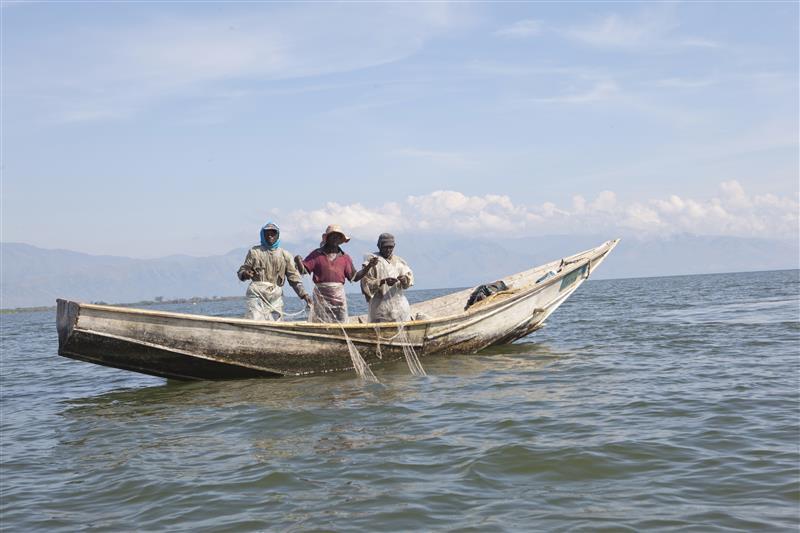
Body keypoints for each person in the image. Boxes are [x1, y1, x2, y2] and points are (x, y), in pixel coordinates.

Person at [295, 224, 372, 323]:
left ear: (341, 240)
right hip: (321, 297)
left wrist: (369, 266)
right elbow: (303, 271)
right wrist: (298, 261)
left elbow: (355, 277)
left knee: (341, 322)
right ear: (327, 238)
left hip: (338, 297)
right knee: (320, 322)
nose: (335, 239)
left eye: (338, 237)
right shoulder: (316, 254)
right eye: (333, 236)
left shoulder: (345, 257)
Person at [237, 222, 312, 321]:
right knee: (255, 320)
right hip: (257, 294)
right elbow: (242, 270)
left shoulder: (285, 255)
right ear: (262, 235)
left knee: (276, 322)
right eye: (267, 233)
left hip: (275, 296)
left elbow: (294, 279)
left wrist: (304, 295)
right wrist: (245, 274)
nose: (270, 236)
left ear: (278, 235)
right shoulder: (254, 252)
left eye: (273, 233)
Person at [359, 233, 414, 323]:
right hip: (379, 307)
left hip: (399, 306)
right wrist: (382, 282)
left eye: (391, 247)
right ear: (379, 246)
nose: (388, 250)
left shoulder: (399, 261)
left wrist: (404, 280)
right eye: (385, 247)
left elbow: (408, 281)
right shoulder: (372, 261)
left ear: (394, 246)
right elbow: (365, 283)